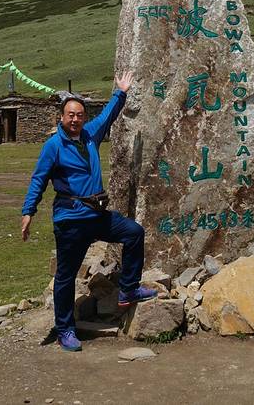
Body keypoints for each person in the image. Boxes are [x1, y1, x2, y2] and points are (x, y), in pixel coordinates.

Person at [21, 71, 157, 352]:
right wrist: (28, 211)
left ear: (84, 117)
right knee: (66, 276)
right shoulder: (54, 146)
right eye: (70, 115)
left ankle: (128, 289)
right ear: (62, 117)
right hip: (71, 220)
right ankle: (64, 329)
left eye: (79, 115)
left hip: (96, 216)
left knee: (134, 232)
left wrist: (121, 92)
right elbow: (38, 179)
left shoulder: (90, 135)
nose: (75, 119)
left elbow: (108, 116)